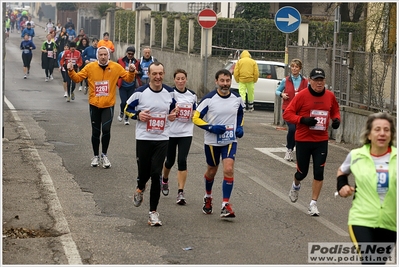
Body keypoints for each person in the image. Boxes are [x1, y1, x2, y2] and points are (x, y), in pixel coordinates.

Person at [336, 112, 396, 265]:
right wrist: (342, 185)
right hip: (361, 219)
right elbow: (342, 171)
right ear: (369, 134)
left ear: (391, 134)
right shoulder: (356, 155)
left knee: (378, 262)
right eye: (377, 129)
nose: (382, 133)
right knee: (371, 260)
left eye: (386, 130)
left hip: (391, 222)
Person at [124, 62, 179, 226]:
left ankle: (153, 212)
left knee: (156, 174)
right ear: (149, 74)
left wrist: (173, 115)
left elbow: (174, 110)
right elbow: (127, 109)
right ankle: (140, 187)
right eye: (154, 74)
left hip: (162, 138)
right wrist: (138, 115)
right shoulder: (140, 93)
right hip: (144, 138)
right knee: (143, 172)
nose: (158, 77)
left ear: (164, 74)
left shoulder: (170, 92)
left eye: (160, 73)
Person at [283, 68, 341, 216]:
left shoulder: (329, 96)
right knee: (302, 173)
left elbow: (335, 110)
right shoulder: (302, 96)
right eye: (316, 80)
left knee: (319, 172)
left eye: (321, 80)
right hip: (303, 139)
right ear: (310, 80)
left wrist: (336, 120)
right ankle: (296, 185)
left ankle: (313, 203)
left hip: (321, 140)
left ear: (325, 81)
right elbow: (287, 114)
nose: (319, 83)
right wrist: (302, 120)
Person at [67, 46, 136, 168]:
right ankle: (95, 156)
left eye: (105, 54)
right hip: (94, 104)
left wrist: (131, 71)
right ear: (97, 56)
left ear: (108, 56)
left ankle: (104, 155)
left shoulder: (115, 67)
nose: (103, 57)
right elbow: (77, 78)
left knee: (106, 130)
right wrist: (71, 70)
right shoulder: (90, 67)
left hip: (108, 105)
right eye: (101, 55)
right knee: (95, 131)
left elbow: (128, 79)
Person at [192, 69, 245, 218]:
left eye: (228, 81)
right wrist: (211, 127)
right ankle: (208, 196)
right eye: (222, 81)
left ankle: (225, 204)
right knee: (211, 171)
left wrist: (240, 126)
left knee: (228, 169)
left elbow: (240, 113)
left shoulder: (236, 97)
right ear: (216, 82)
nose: (225, 84)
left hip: (229, 140)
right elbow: (196, 118)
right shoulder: (209, 99)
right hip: (211, 141)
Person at [161, 69, 197, 205]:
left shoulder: (192, 95)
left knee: (182, 160)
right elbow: (164, 111)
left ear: (186, 79)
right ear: (174, 80)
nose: (181, 81)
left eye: (183, 78)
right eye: (178, 79)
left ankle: (180, 192)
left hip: (186, 132)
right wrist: (171, 113)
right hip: (171, 132)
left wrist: (193, 113)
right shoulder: (170, 94)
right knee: (169, 161)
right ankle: (164, 179)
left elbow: (195, 110)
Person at [275, 59, 308, 162]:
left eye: (296, 67)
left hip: (301, 110)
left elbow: (309, 92)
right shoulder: (286, 80)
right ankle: (289, 149)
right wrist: (282, 94)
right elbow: (277, 90)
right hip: (288, 109)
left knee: (300, 130)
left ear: (300, 68)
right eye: (292, 66)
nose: (294, 69)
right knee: (292, 129)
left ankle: (300, 151)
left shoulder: (305, 81)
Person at [116, 46, 142, 125]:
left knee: (128, 102)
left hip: (132, 86)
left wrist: (137, 72)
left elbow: (141, 73)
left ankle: (126, 118)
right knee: (123, 102)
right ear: (126, 53)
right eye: (129, 53)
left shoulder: (137, 62)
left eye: (132, 54)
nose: (130, 55)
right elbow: (116, 71)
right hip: (123, 85)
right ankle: (121, 112)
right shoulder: (120, 61)